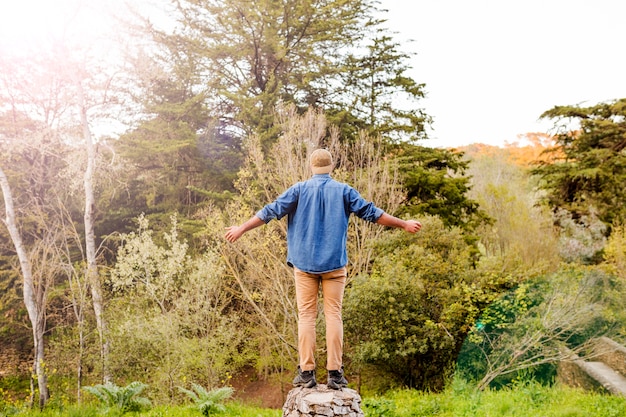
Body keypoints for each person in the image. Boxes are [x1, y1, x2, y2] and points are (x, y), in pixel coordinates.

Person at [224, 149, 421, 389]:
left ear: (311, 167)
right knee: (333, 315)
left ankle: (307, 373)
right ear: (331, 167)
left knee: (306, 316)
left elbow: (269, 211)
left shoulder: (298, 190)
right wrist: (404, 224)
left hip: (304, 265)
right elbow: (372, 213)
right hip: (334, 265)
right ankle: (335, 373)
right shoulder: (344, 191)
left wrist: (242, 228)